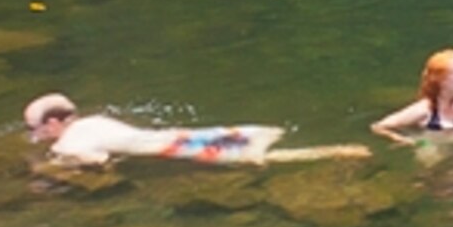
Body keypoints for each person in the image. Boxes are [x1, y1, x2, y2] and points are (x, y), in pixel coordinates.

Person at [23, 93, 370, 168]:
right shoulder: (92, 120)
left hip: (173, 149)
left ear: (54, 124)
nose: (33, 134)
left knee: (261, 159)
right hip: (175, 135)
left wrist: (55, 166)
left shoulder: (69, 140)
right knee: (251, 139)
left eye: (35, 128)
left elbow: (98, 159)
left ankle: (335, 151)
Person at [371, 49, 453, 143]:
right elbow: (378, 127)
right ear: (442, 81)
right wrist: (405, 141)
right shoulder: (424, 110)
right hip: (437, 151)